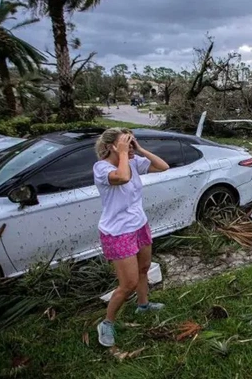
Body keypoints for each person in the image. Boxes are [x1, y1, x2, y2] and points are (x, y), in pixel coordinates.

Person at [93, 128, 170, 347]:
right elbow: (123, 177)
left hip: (139, 224)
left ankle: (143, 305)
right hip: (118, 232)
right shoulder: (101, 168)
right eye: (125, 142)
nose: (129, 145)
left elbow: (163, 166)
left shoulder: (133, 162)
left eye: (130, 141)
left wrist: (138, 149)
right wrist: (125, 154)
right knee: (128, 284)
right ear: (111, 147)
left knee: (144, 268)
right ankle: (107, 323)